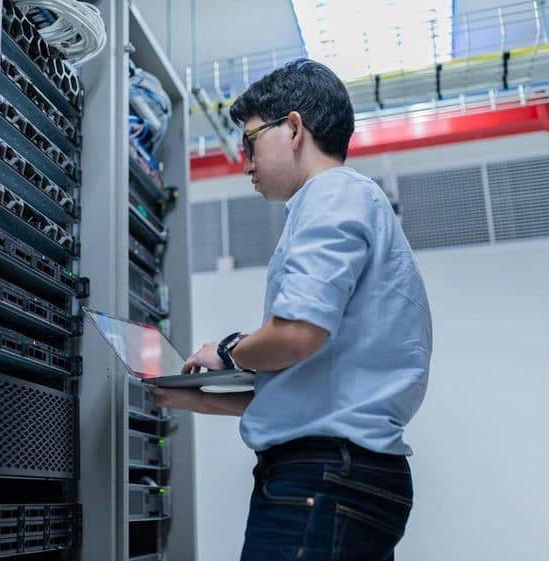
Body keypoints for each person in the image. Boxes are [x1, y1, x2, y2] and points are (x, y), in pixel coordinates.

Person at [153, 58, 432, 561]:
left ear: (295, 128)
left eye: (251, 142)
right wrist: (188, 397)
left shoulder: (331, 194)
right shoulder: (353, 202)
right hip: (345, 475)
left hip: (323, 478)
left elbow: (297, 335)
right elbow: (309, 394)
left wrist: (229, 349)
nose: (246, 163)